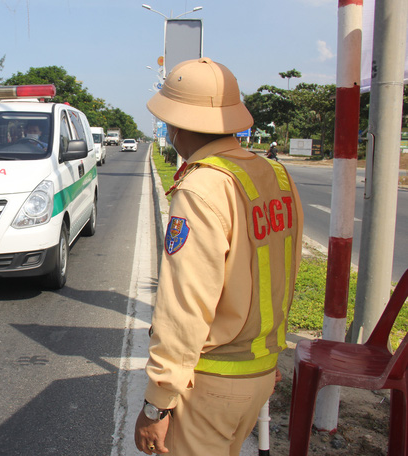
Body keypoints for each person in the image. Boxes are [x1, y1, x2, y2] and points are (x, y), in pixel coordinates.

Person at [134, 57, 303, 455]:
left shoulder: (201, 188)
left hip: (210, 384)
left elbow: (185, 306)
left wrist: (157, 403)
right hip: (259, 372)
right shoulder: (276, 176)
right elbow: (285, 271)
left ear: (175, 125)